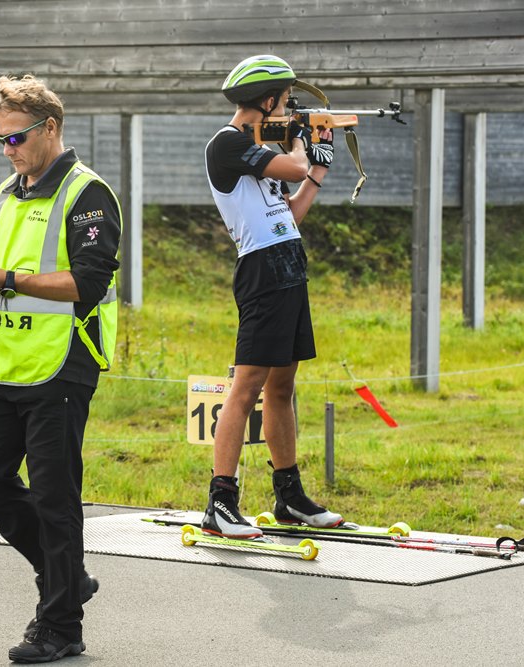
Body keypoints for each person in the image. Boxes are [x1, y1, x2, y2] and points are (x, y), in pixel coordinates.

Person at [0, 74, 121, 663]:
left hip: (62, 362)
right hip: (2, 363)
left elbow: (88, 284)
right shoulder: (6, 192)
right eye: (0, 140)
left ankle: (60, 626)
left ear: (49, 128)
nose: (8, 150)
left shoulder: (87, 195)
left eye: (16, 138)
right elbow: (1, 271)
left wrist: (9, 279)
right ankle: (68, 577)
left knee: (54, 495)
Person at [201, 54, 343, 539]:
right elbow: (296, 163)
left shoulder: (260, 153)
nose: (287, 111)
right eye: (285, 104)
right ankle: (220, 502)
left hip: (288, 263)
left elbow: (290, 214)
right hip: (261, 271)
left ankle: (290, 498)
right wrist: (307, 142)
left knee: (282, 387)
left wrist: (318, 171)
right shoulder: (228, 145)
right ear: (267, 101)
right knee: (246, 387)